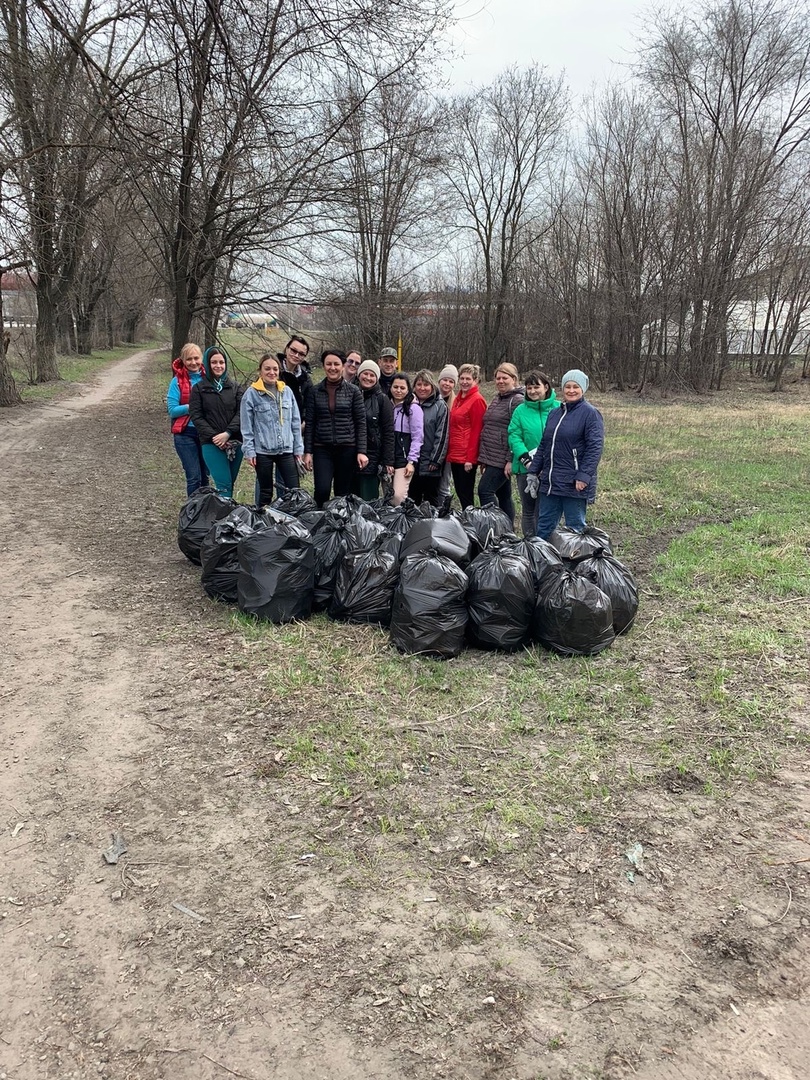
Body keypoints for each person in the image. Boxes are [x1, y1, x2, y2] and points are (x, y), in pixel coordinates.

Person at [527, 368, 604, 539]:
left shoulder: (590, 414)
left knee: (574, 529)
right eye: (567, 386)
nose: (571, 390)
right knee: (544, 527)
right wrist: (533, 471)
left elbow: (595, 447)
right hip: (551, 482)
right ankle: (542, 561)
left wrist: (584, 476)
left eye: (575, 387)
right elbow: (544, 445)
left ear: (582, 389)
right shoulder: (555, 413)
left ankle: (573, 564)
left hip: (574, 483)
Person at [303, 350, 368, 507]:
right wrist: (308, 451)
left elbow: (360, 422)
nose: (332, 368)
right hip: (322, 449)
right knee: (322, 490)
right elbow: (310, 422)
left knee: (342, 493)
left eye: (336, 364)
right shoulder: (314, 392)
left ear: (343, 366)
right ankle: (319, 522)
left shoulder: (353, 392)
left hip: (347, 448)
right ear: (324, 366)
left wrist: (361, 451)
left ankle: (339, 526)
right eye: (329, 364)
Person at [240, 354, 304, 506]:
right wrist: (249, 451)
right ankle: (262, 524)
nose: (271, 372)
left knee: (294, 491)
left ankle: (291, 524)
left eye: (275, 369)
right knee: (265, 491)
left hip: (286, 450)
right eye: (267, 369)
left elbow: (295, 422)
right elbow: (246, 427)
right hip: (263, 451)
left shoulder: (286, 391)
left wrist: (298, 449)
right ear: (260, 371)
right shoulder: (251, 394)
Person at [188, 346, 244, 498]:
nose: (218, 366)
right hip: (211, 443)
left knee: (230, 483)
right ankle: (224, 518)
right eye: (214, 362)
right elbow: (196, 416)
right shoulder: (199, 389)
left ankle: (227, 515)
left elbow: (242, 413)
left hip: (235, 442)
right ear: (207, 364)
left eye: (221, 362)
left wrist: (228, 433)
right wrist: (216, 436)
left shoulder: (236, 387)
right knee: (223, 484)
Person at [508, 372, 558, 537]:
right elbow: (514, 436)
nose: (533, 391)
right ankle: (530, 546)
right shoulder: (520, 411)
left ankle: (546, 546)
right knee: (529, 510)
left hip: (552, 470)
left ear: (546, 387)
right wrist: (527, 461)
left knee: (546, 510)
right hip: (526, 469)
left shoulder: (558, 408)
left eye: (537, 387)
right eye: (529, 388)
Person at [477, 362, 524, 523]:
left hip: (502, 458)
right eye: (498, 378)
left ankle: (495, 526)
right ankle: (508, 530)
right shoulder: (498, 398)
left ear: (514, 379)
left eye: (505, 378)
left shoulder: (517, 400)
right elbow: (490, 427)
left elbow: (518, 432)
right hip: (492, 456)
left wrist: (510, 460)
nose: (501, 381)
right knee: (504, 495)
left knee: (484, 491)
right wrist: (483, 458)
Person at [167, 342, 208, 496]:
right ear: (183, 361)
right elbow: (172, 410)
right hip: (185, 434)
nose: (193, 362)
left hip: (206, 434)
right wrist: (192, 407)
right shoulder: (176, 381)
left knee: (205, 477)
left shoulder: (208, 379)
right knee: (194, 478)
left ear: (202, 359)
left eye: (196, 358)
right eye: (189, 359)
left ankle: (205, 511)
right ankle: (192, 513)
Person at [352, 359, 394, 501]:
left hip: (371, 457)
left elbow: (388, 432)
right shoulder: (349, 394)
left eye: (372, 375)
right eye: (365, 374)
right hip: (349, 453)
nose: (368, 378)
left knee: (368, 499)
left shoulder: (382, 400)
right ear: (359, 374)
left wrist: (388, 460)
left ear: (376, 378)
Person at [447, 363, 487, 510]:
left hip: (466, 457)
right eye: (462, 378)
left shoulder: (477, 400)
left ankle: (471, 522)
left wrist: (471, 458)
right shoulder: (458, 398)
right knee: (459, 491)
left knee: (466, 494)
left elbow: (477, 430)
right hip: (455, 453)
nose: (464, 381)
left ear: (475, 380)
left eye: (468, 379)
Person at [410, 369, 449, 508]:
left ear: (432, 386)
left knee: (430, 501)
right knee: (412, 499)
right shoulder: (409, 404)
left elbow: (442, 435)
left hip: (431, 463)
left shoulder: (440, 406)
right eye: (419, 384)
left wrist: (436, 460)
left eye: (426, 385)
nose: (422, 388)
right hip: (412, 462)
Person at [389, 373, 424, 506]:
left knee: (398, 497)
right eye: (395, 387)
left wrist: (411, 461)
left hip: (404, 460)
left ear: (408, 389)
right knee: (388, 495)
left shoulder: (414, 409)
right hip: (389, 458)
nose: (398, 390)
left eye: (402, 388)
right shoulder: (387, 405)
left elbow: (417, 437)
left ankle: (403, 523)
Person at [437, 364, 458, 512]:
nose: (447, 384)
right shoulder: (429, 396)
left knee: (444, 484)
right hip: (430, 448)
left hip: (448, 450)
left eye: (451, 381)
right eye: (445, 380)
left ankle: (443, 511)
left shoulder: (456, 402)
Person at [278, 336, 312, 424]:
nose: (296, 355)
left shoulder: (306, 379)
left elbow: (309, 404)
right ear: (286, 349)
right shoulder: (273, 372)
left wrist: (304, 421)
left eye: (301, 354)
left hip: (297, 426)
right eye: (293, 350)